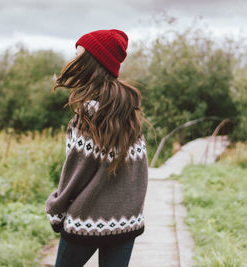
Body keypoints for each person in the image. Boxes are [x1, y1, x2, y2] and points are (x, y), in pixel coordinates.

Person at [46, 29, 149, 267]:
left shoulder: (87, 118)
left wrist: (56, 210)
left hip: (86, 221)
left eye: (79, 56)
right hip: (127, 222)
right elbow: (139, 176)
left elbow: (74, 177)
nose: (74, 62)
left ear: (92, 64)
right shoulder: (129, 115)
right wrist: (132, 214)